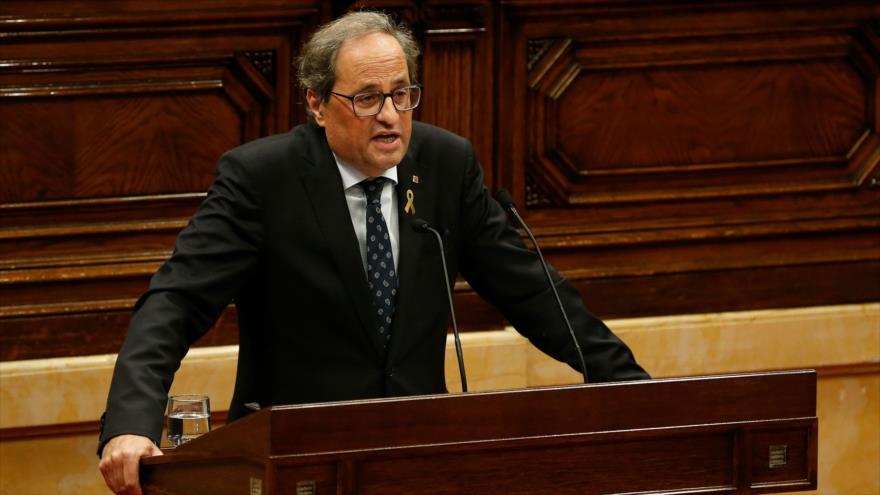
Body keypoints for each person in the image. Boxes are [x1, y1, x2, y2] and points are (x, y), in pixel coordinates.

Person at [97, 11, 649, 495]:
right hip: (295, 462)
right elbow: (176, 301)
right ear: (316, 103)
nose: (390, 115)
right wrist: (130, 421)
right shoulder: (262, 179)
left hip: (418, 460)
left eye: (402, 94)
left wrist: (636, 394)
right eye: (366, 98)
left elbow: (533, 293)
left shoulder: (445, 166)